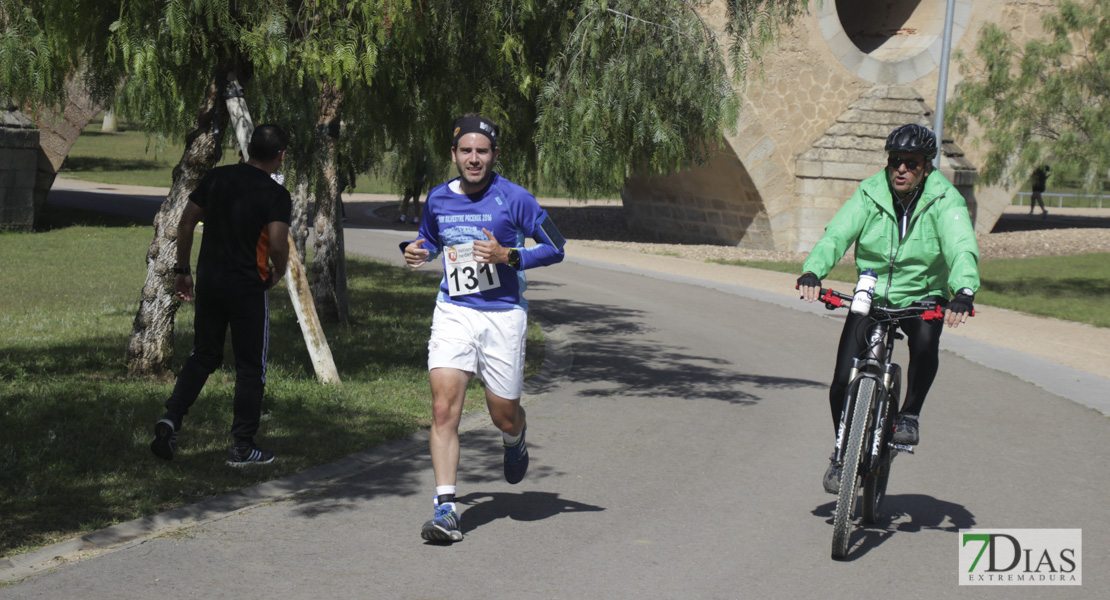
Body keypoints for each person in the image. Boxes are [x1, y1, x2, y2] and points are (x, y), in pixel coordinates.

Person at [401, 114, 565, 543]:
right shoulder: (438, 198)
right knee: (443, 410)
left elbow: (556, 247)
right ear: (454, 154)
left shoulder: (515, 198)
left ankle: (515, 437)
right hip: (454, 310)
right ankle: (446, 510)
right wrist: (418, 251)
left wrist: (507, 256)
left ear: (494, 155)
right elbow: (431, 240)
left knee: (502, 414)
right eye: (466, 151)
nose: (474, 159)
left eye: (483, 151)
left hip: (502, 315)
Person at [797, 123, 979, 495]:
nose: (900, 169)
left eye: (911, 163)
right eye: (895, 161)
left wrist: (963, 290)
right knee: (839, 383)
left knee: (926, 342)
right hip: (873, 292)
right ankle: (842, 454)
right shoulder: (870, 192)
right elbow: (838, 234)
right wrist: (814, 270)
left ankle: (909, 413)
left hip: (923, 293)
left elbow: (960, 245)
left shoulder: (945, 200)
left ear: (926, 166)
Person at [150, 124, 292, 467]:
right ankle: (243, 446)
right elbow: (276, 243)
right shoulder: (276, 195)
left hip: (211, 283)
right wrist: (280, 269)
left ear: (248, 149)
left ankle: (172, 417)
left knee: (204, 354)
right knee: (249, 367)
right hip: (247, 288)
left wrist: (183, 270)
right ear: (281, 156)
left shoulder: (217, 178)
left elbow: (186, 223)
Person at [396, 149, 430, 225]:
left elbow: (406, 171)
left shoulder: (412, 163)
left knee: (406, 200)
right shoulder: (423, 164)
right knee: (416, 201)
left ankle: (403, 218)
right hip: (419, 183)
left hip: (413, 183)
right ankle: (416, 219)